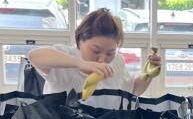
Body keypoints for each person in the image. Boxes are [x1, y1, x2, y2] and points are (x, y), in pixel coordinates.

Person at [27, 8, 161, 96]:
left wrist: (148, 73)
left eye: (110, 53)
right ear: (80, 41)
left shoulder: (117, 62)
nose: (102, 59)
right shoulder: (66, 57)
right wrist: (80, 63)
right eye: (96, 51)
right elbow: (34, 56)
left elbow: (132, 90)